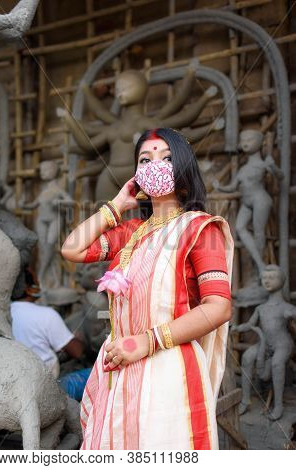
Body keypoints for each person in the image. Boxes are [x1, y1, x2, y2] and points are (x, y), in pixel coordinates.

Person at [61, 127, 235, 450]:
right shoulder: (132, 232)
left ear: (183, 167)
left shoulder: (201, 228)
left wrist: (147, 341)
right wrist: (115, 205)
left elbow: (218, 307)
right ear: (138, 173)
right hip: (119, 369)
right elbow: (71, 249)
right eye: (145, 159)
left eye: (166, 157)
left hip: (169, 368)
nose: (155, 164)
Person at [11, 267, 85, 379]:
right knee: (92, 375)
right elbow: (77, 351)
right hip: (46, 384)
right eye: (36, 281)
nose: (39, 284)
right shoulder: (46, 314)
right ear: (28, 288)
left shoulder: (5, 313)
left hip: (15, 378)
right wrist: (79, 339)